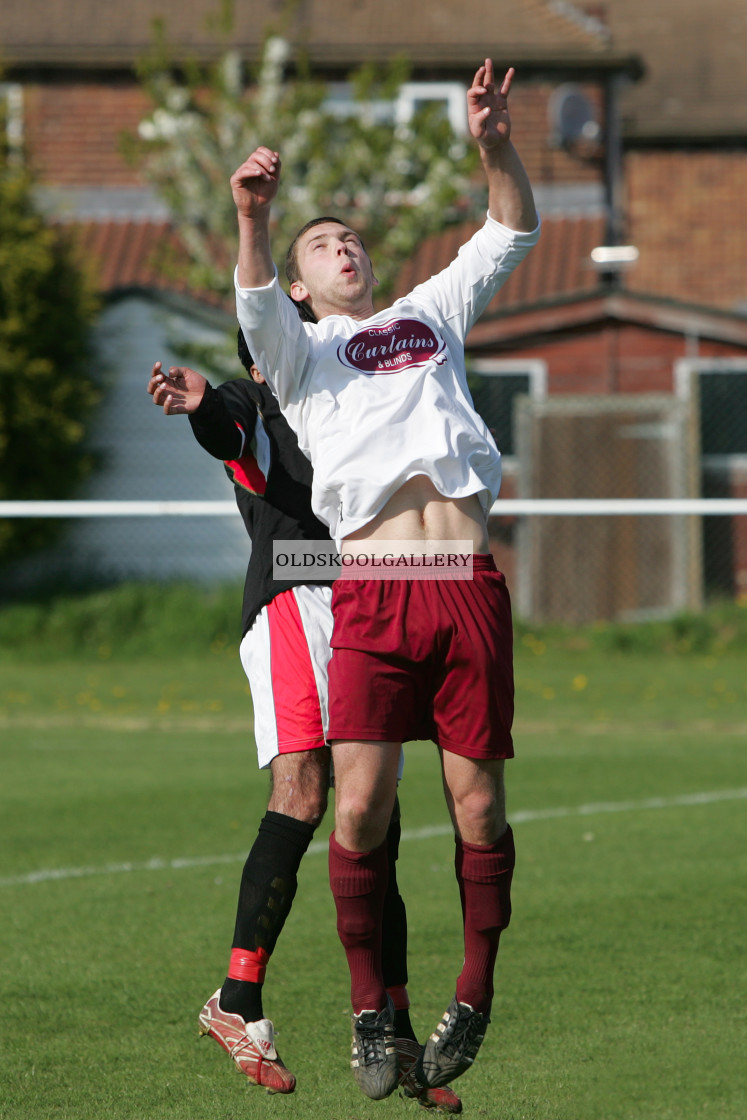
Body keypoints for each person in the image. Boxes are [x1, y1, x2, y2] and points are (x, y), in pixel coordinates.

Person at [229, 58, 540, 1102]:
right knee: (356, 808)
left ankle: (474, 995)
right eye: (323, 246)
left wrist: (495, 150)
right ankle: (371, 1010)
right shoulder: (302, 356)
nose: (343, 246)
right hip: (370, 595)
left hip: (462, 583)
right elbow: (257, 299)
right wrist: (257, 220)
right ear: (307, 287)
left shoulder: (430, 314)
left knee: (479, 809)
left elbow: (510, 234)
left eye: (347, 235)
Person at [146, 333, 462, 1111]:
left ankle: (394, 1030)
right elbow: (227, 428)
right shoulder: (259, 403)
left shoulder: (353, 405)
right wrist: (203, 408)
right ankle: (238, 1000)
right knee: (304, 790)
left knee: (374, 815)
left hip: (369, 608)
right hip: (295, 601)